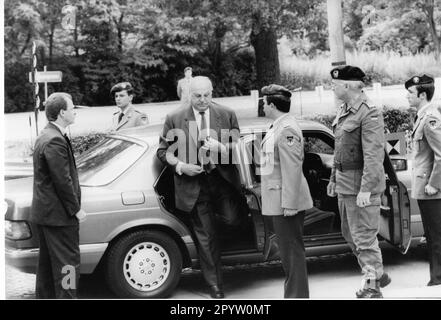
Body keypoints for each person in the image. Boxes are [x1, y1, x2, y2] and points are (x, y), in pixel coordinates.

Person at [157, 76, 243, 299]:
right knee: (206, 238)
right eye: (197, 96)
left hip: (222, 181)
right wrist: (181, 166)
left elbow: (240, 146)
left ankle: (214, 241)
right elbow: (163, 151)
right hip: (193, 185)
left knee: (234, 220)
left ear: (212, 92)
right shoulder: (174, 117)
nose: (203, 100)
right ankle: (215, 284)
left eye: (207, 95)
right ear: (189, 95)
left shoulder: (226, 114)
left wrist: (223, 147)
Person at [326, 65, 391, 298]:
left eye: (335, 83)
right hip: (345, 184)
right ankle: (376, 272)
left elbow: (374, 155)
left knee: (363, 236)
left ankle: (373, 286)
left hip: (361, 187)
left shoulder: (369, 112)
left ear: (348, 85)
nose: (332, 86)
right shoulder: (345, 109)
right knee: (350, 235)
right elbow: (339, 148)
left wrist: (367, 189)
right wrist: (333, 177)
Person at [30, 93, 87, 299]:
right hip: (60, 216)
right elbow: (63, 181)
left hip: (47, 215)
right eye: (72, 108)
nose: (74, 112)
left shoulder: (47, 134)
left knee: (46, 268)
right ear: (62, 113)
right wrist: (76, 209)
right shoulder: (55, 140)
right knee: (68, 265)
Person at [260, 84, 313, 298]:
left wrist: (290, 204)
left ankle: (297, 296)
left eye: (263, 103)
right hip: (280, 200)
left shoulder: (287, 129)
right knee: (288, 253)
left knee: (292, 253)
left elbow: (292, 168)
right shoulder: (279, 126)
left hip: (286, 203)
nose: (262, 107)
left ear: (272, 105)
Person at [406, 74, 441, 287]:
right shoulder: (422, 116)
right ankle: (436, 276)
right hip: (425, 187)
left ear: (422, 94)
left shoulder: (430, 118)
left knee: (436, 234)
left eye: (410, 93)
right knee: (432, 234)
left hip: (431, 188)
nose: (407, 96)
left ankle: (437, 278)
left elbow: (440, 154)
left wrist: (433, 184)